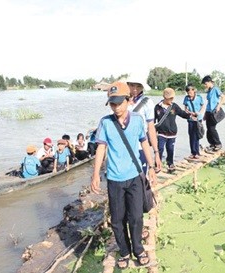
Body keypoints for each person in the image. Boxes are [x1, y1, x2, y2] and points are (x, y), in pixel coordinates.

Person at [90, 81, 156, 269]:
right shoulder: (105, 123)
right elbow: (101, 148)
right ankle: (124, 251)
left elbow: (144, 143)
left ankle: (138, 248)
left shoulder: (137, 120)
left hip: (135, 176)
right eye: (112, 103)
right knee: (118, 220)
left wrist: (151, 167)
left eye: (119, 102)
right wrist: (95, 174)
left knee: (136, 217)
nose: (116, 107)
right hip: (114, 178)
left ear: (128, 101)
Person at [127, 76, 162, 173]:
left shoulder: (147, 102)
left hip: (140, 147)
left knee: (141, 179)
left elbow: (151, 128)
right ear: (128, 85)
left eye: (138, 86)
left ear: (143, 87)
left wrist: (156, 152)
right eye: (132, 85)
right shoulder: (121, 102)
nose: (135, 89)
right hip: (123, 147)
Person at [154, 88, 191, 171]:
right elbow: (153, 120)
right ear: (165, 97)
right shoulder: (157, 107)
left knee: (170, 149)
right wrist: (152, 132)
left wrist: (190, 115)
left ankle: (170, 163)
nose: (172, 100)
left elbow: (182, 113)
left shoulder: (174, 106)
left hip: (172, 133)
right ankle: (157, 164)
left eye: (172, 98)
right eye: (170, 98)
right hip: (161, 133)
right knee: (159, 148)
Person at [202, 75, 225, 151]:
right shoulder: (209, 91)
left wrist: (219, 106)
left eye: (205, 84)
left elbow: (224, 97)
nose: (205, 85)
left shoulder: (215, 89)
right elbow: (209, 103)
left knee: (212, 128)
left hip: (214, 112)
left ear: (209, 82)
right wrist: (205, 114)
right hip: (208, 112)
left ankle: (218, 143)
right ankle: (212, 144)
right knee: (208, 129)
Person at [183, 84, 205, 159]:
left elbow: (202, 106)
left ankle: (197, 152)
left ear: (194, 90)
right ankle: (193, 152)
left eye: (190, 92)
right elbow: (185, 108)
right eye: (188, 93)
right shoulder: (186, 98)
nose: (189, 94)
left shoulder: (199, 97)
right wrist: (190, 113)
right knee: (191, 135)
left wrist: (198, 113)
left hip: (198, 118)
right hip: (190, 118)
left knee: (197, 135)